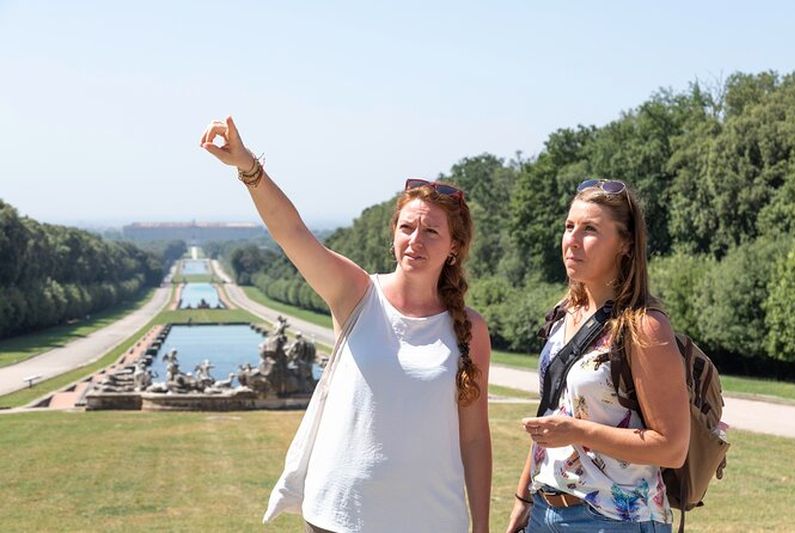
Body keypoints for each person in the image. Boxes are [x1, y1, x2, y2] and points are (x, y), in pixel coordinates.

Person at [200, 117, 492, 532]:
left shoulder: (472, 330)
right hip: (338, 516)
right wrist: (248, 167)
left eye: (431, 231)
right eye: (407, 227)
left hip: (431, 521)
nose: (415, 241)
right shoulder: (356, 294)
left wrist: (481, 527)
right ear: (393, 234)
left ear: (454, 248)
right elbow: (292, 233)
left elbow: (475, 439)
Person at [505, 179, 690, 533]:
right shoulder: (563, 315)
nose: (572, 240)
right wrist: (524, 497)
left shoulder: (643, 327)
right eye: (569, 226)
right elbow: (553, 414)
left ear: (624, 244)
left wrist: (575, 431)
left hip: (613, 520)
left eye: (590, 229)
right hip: (546, 510)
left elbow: (672, 448)